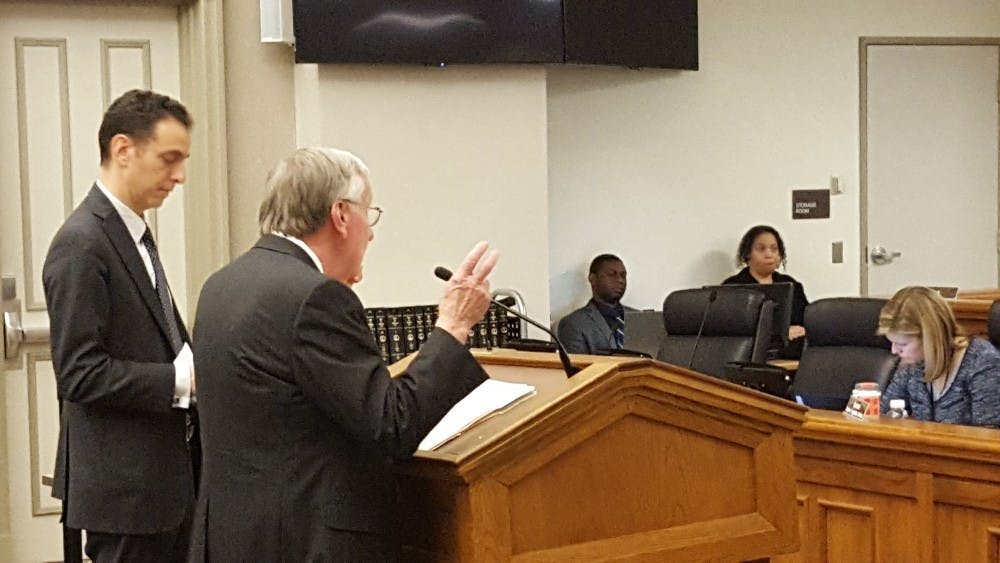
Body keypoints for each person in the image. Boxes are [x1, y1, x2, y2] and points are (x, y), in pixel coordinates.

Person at [188, 147, 497, 561]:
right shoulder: (315, 297)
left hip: (235, 539)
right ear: (341, 214)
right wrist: (454, 326)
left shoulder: (223, 284)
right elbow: (391, 424)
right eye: (369, 214)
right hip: (305, 543)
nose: (370, 233)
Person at [42, 89, 197, 561]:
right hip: (126, 497)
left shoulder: (134, 234)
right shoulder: (82, 243)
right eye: (169, 159)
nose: (180, 177)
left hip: (166, 486)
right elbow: (79, 373)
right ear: (123, 149)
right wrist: (180, 380)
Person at [878, 286, 1000, 427]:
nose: (894, 351)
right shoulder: (911, 365)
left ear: (930, 339)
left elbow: (990, 435)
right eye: (892, 343)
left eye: (902, 344)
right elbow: (884, 415)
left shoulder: (982, 362)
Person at [723, 225, 809, 356]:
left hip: (791, 353)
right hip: (749, 355)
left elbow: (807, 321)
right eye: (761, 249)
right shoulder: (733, 287)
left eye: (774, 249)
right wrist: (781, 332)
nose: (769, 254)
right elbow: (731, 330)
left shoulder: (791, 285)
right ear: (748, 254)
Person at [557, 254, 636, 354]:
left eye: (623, 275)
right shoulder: (574, 324)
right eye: (612, 274)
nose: (620, 280)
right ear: (592, 278)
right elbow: (578, 367)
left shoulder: (641, 319)